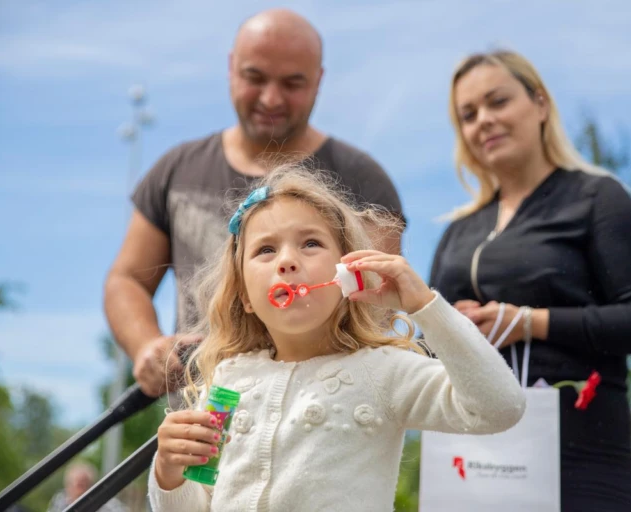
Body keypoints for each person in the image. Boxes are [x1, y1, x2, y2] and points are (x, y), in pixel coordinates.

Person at [146, 165, 525, 511]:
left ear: (348, 274)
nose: (287, 260)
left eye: (310, 243)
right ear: (244, 295)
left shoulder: (383, 372)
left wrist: (425, 306)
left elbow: (500, 407)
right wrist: (168, 472)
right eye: (265, 249)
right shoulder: (230, 378)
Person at [103, 8, 405, 398]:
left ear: (319, 81)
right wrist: (146, 345)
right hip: (204, 416)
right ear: (232, 68)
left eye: (293, 83)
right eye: (255, 77)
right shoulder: (177, 170)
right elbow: (126, 280)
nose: (271, 98)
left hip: (322, 418)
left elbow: (378, 308)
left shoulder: (363, 179)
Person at [428, 49, 631, 510]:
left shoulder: (598, 199)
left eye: (498, 102)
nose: (484, 120)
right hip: (472, 458)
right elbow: (429, 342)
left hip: (579, 457)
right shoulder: (459, 229)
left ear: (539, 104)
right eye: (468, 114)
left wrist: (528, 322)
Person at [47, 462, 127, 512]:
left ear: (91, 486)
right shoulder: (60, 499)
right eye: (70, 484)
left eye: (81, 485)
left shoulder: (105, 502)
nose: (73, 488)